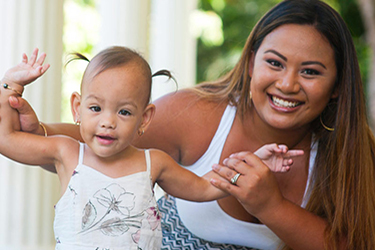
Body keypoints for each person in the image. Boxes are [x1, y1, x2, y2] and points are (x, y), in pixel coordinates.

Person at [0, 47, 303, 250]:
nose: (108, 122)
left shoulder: (152, 162)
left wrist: (254, 162)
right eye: (95, 108)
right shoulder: (67, 152)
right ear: (77, 108)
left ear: (144, 119)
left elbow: (203, 188)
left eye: (124, 112)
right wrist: (9, 87)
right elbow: (7, 140)